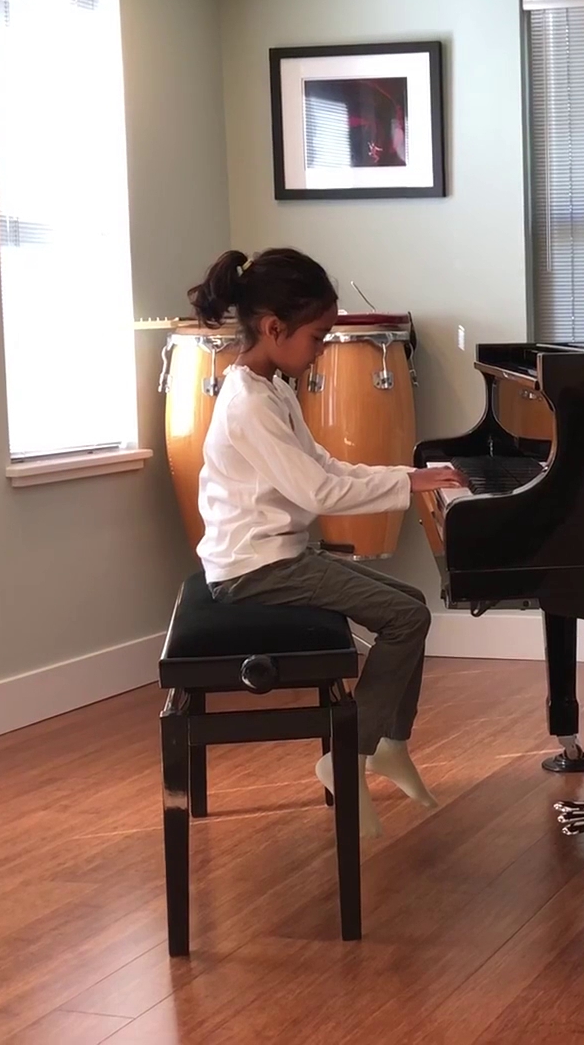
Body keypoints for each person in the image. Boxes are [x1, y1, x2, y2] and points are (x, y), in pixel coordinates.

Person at [186, 247, 468, 838]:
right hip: (254, 569)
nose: (321, 349)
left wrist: (409, 475)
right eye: (317, 336)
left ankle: (390, 747)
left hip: (278, 555)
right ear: (273, 328)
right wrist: (408, 484)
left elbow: (325, 466)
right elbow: (319, 493)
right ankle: (349, 755)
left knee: (411, 605)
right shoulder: (248, 405)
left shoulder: (272, 388)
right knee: (405, 618)